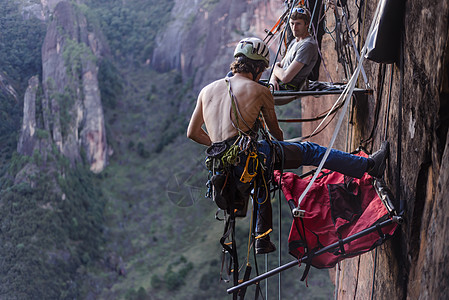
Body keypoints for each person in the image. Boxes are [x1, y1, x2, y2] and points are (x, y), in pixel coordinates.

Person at [187, 37, 389, 254]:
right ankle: (368, 167)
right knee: (309, 151)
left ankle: (262, 238)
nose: (262, 74)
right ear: (256, 67)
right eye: (262, 70)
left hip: (222, 166)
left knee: (259, 175)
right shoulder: (259, 91)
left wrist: (221, 146)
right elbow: (276, 135)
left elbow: (193, 133)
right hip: (251, 157)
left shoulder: (206, 91)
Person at [270, 6, 318, 90]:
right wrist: (273, 79)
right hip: (277, 85)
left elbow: (285, 77)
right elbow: (280, 65)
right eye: (292, 23)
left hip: (287, 88)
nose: (294, 28)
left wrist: (274, 67)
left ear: (307, 24)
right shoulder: (295, 42)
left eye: (298, 24)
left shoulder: (307, 45)